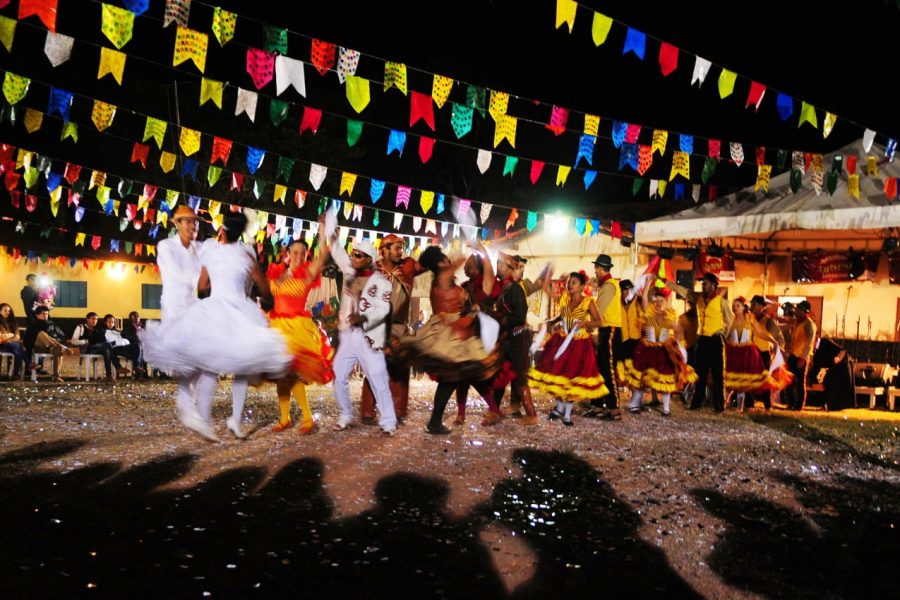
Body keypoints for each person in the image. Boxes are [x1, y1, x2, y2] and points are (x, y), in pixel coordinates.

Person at [145, 211, 292, 441]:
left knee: (209, 365)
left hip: (213, 308)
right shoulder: (246, 254)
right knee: (242, 365)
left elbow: (202, 286)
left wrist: (215, 284)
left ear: (222, 230)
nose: (193, 225)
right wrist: (263, 297)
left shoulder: (210, 251)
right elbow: (263, 287)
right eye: (189, 221)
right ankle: (229, 418)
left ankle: (203, 419)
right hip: (238, 311)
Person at [394, 245, 502, 433]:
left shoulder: (443, 279)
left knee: (461, 374)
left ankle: (439, 420)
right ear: (440, 263)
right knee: (453, 378)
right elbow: (460, 260)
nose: (448, 261)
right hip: (450, 330)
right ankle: (435, 422)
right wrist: (478, 248)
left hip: (453, 328)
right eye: (445, 259)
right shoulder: (442, 277)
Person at [328, 233, 398, 436]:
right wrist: (330, 226)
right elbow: (337, 250)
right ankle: (346, 414)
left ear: (369, 259)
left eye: (358, 255)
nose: (353, 257)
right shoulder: (349, 273)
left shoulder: (381, 282)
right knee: (338, 375)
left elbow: (383, 309)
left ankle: (388, 422)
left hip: (369, 337)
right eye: (353, 253)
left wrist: (364, 317)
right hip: (348, 335)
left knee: (378, 378)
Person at [268, 231, 335, 435]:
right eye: (295, 252)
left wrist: (324, 230)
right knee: (281, 375)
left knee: (292, 373)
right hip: (276, 327)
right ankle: (285, 418)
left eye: (303, 253)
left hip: (297, 329)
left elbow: (323, 253)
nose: (298, 256)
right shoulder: (277, 273)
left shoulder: (307, 274)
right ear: (288, 253)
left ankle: (307, 417)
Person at [146, 205, 203, 425]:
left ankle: (191, 404)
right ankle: (187, 403)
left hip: (193, 306)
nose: (192, 225)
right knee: (185, 360)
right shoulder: (166, 246)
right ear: (176, 224)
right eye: (187, 221)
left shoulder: (198, 249)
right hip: (174, 308)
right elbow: (178, 274)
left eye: (195, 222)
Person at [359, 233, 425, 424]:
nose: (400, 252)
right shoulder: (371, 269)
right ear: (384, 250)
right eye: (396, 248)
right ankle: (367, 412)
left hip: (399, 325)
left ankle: (397, 413)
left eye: (401, 248)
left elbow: (428, 266)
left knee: (400, 369)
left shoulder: (408, 266)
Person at [529, 271, 608, 425]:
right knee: (557, 374)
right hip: (561, 340)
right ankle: (559, 408)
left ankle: (567, 414)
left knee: (572, 376)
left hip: (579, 343)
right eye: (569, 282)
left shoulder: (588, 302)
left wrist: (585, 324)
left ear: (582, 287)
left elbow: (599, 322)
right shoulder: (564, 298)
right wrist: (551, 322)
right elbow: (560, 313)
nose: (570, 285)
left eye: (574, 283)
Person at [621, 281, 696, 416]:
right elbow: (644, 298)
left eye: (662, 301)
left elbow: (678, 331)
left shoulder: (670, 316)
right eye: (656, 300)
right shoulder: (648, 312)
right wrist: (649, 283)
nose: (658, 303)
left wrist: (681, 347)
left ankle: (666, 408)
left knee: (665, 379)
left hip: (663, 350)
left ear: (666, 302)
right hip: (647, 349)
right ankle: (635, 405)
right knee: (641, 377)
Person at [661, 272, 733, 412]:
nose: (703, 286)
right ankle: (696, 403)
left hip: (716, 339)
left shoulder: (722, 301)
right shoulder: (698, 297)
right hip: (702, 340)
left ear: (713, 285)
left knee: (718, 374)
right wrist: (667, 282)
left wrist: (724, 335)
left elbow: (729, 320)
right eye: (702, 283)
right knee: (700, 373)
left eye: (705, 283)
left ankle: (719, 405)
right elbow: (683, 291)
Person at [453, 241, 500, 425]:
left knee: (473, 376)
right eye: (465, 266)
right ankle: (462, 413)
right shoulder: (467, 286)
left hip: (481, 337)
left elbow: (488, 265)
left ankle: (493, 410)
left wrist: (479, 248)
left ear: (477, 267)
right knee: (462, 377)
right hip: (466, 336)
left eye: (469, 265)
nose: (465, 267)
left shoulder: (486, 282)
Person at [723, 297, 790, 411]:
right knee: (729, 380)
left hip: (747, 353)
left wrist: (773, 341)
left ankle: (741, 407)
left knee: (743, 382)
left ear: (744, 307)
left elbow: (760, 332)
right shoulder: (731, 320)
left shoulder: (750, 318)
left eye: (738, 305)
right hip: (733, 352)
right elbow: (726, 335)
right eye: (733, 306)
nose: (735, 308)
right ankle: (724, 403)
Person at [584, 254, 623, 420]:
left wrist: (586, 322)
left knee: (607, 370)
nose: (595, 272)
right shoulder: (607, 285)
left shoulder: (609, 286)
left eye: (596, 269)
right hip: (605, 329)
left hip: (610, 330)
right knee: (600, 369)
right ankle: (598, 405)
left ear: (600, 269)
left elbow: (598, 313)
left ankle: (614, 409)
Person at [748, 295, 787, 410]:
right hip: (751, 352)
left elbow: (779, 338)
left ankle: (767, 404)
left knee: (765, 379)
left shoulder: (768, 321)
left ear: (761, 306)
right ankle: (749, 402)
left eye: (754, 304)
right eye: (751, 304)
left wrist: (779, 351)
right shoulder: (750, 319)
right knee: (749, 378)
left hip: (764, 353)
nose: (751, 307)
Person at [22, 305, 73, 381]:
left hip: (51, 346)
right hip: (38, 346)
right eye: (43, 314)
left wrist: (55, 339)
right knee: (41, 334)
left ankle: (56, 376)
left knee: (57, 351)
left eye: (46, 314)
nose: (45, 316)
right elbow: (27, 340)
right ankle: (62, 347)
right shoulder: (32, 325)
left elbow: (62, 336)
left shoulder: (52, 324)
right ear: (37, 315)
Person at [786, 300, 817, 411]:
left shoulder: (809, 325)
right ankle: (791, 402)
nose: (796, 311)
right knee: (788, 379)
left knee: (799, 382)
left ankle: (798, 406)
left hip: (801, 357)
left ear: (805, 312)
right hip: (794, 354)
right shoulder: (798, 322)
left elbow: (809, 343)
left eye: (798, 309)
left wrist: (803, 358)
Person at [70, 312, 118, 381]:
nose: (94, 321)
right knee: (107, 345)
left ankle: (108, 375)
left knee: (107, 349)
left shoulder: (95, 330)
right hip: (84, 349)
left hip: (94, 348)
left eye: (96, 319)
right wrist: (85, 341)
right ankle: (117, 367)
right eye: (92, 319)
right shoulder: (81, 327)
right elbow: (73, 341)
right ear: (87, 319)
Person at [102, 314, 140, 378]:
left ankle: (136, 367)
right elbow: (105, 343)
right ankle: (120, 368)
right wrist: (116, 342)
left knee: (137, 345)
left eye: (113, 322)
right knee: (134, 347)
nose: (111, 323)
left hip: (123, 347)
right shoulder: (103, 331)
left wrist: (122, 337)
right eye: (109, 322)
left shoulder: (117, 332)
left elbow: (122, 339)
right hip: (114, 348)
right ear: (105, 322)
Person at [0, 302, 26, 380]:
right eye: (5, 310)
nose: (8, 312)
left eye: (9, 311)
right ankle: (17, 373)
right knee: (18, 347)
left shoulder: (13, 322)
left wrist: (9, 339)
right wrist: (11, 337)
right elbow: (2, 337)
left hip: (11, 345)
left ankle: (15, 374)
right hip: (2, 345)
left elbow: (17, 336)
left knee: (17, 349)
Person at [121, 311, 148, 378]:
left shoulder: (143, 327)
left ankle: (144, 372)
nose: (136, 318)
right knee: (139, 348)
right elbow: (127, 338)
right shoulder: (128, 328)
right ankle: (140, 373)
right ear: (131, 319)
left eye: (137, 316)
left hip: (144, 345)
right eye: (134, 317)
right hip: (132, 345)